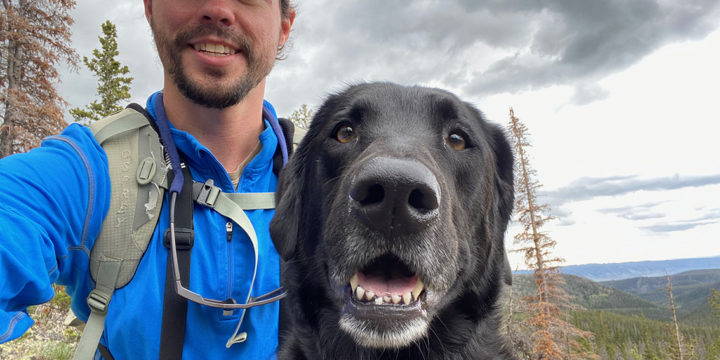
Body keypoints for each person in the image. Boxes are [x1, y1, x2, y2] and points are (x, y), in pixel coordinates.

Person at [0, 0, 295, 358]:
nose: (218, 9)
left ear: (284, 26)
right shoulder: (90, 172)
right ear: (151, 7)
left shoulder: (331, 184)